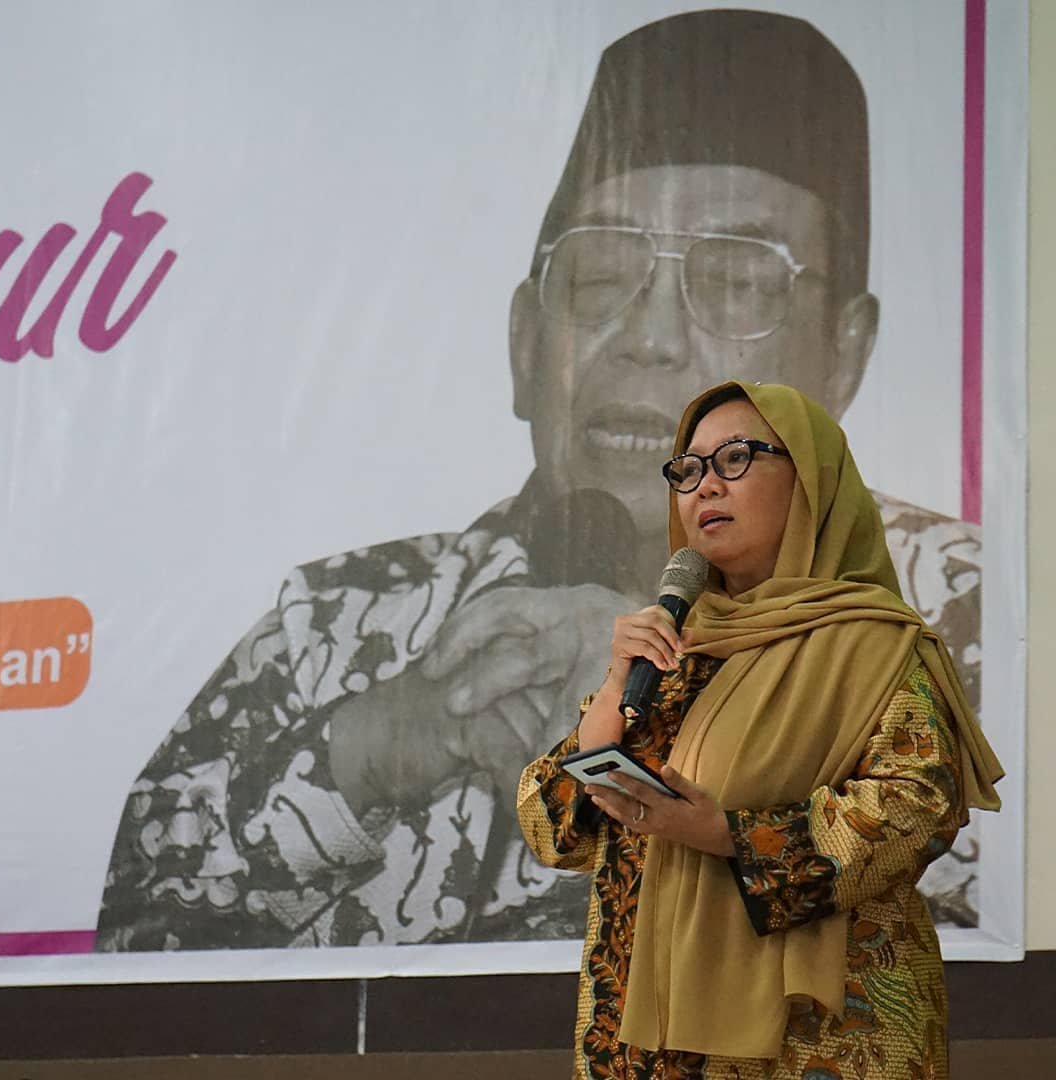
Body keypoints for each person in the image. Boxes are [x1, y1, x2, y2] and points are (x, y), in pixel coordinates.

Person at [96, 9, 981, 953]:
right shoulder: (334, 626)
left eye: (736, 282)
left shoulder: (964, 619)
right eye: (600, 279)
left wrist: (686, 717)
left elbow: (967, 939)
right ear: (525, 345)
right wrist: (377, 746)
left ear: (845, 354)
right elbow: (128, 953)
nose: (650, 336)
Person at [517, 380, 1002, 1080]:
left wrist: (727, 834)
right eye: (688, 470)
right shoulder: (669, 648)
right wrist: (612, 698)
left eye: (736, 458)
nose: (705, 487)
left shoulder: (878, 644)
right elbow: (550, 832)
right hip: (643, 1035)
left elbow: (917, 807)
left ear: (810, 481)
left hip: (821, 1039)